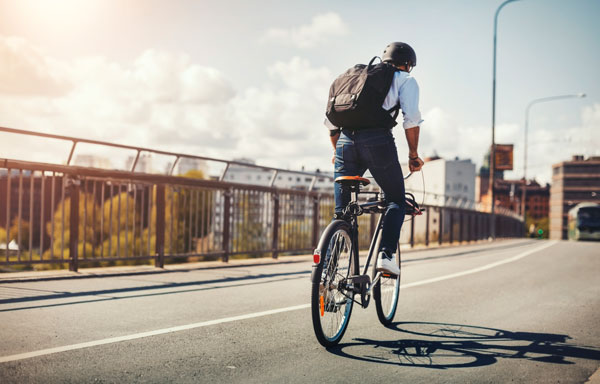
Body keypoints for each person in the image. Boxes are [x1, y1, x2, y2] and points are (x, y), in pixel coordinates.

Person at [324, 42, 424, 276]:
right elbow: (411, 120)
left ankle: (327, 271)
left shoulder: (353, 79)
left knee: (343, 213)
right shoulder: (405, 80)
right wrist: (413, 155)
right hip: (377, 142)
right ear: (407, 64)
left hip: (345, 143)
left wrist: (336, 151)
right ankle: (386, 256)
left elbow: (331, 125)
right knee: (396, 200)